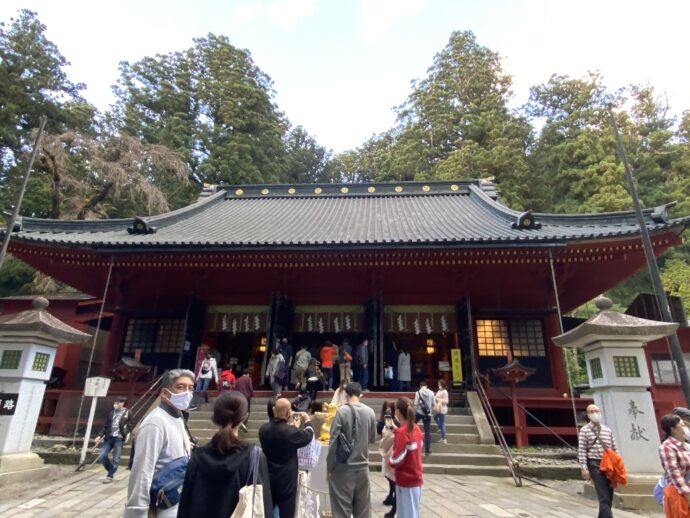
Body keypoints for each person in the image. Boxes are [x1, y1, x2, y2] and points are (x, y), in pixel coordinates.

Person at [177, 391, 273, 518]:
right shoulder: (254, 456)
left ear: (215, 417)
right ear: (245, 417)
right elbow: (263, 504)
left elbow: (185, 505)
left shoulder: (198, 456)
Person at [124, 369, 196, 518]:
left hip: (177, 494)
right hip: (161, 500)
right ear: (164, 393)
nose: (187, 393)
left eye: (191, 388)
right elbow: (142, 470)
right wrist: (137, 511)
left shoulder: (178, 416)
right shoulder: (155, 422)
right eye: (180, 387)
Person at [327, 382, 377, 518]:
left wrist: (329, 467)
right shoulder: (370, 412)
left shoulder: (341, 412)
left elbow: (333, 442)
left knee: (341, 510)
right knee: (363, 512)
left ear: (345, 394)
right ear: (361, 394)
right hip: (363, 467)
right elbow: (373, 439)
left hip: (343, 469)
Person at [259, 398, 315, 518]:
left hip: (268, 476)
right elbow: (308, 436)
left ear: (274, 410)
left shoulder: (263, 430)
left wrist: (292, 428)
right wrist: (307, 421)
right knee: (287, 511)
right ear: (289, 413)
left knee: (267, 509)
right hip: (287, 479)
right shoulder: (290, 432)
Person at [578, 404, 619, 518]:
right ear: (588, 415)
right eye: (591, 411)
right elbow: (582, 450)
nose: (595, 413)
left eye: (596, 411)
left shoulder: (607, 430)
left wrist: (618, 465)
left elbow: (614, 449)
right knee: (603, 496)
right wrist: (584, 468)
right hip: (594, 464)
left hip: (609, 464)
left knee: (609, 495)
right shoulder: (585, 430)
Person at [389, 397, 424, 518]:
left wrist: (390, 461)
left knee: (405, 514)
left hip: (405, 479)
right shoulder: (416, 428)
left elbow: (397, 459)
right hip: (416, 477)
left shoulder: (402, 432)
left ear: (398, 412)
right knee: (412, 513)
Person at [94, 396, 131, 483]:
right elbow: (106, 426)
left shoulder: (128, 413)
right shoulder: (111, 413)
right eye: (115, 402)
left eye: (118, 403)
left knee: (116, 458)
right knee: (102, 455)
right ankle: (111, 469)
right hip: (109, 437)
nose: (116, 404)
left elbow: (130, 425)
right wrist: (99, 435)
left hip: (118, 438)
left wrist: (123, 434)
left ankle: (109, 476)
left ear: (122, 403)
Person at [659, 413, 690, 516]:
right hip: (679, 493)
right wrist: (687, 496)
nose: (685, 428)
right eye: (682, 426)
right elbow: (675, 474)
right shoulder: (667, 447)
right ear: (673, 429)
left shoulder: (685, 446)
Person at [378, 401, 399, 517]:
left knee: (393, 478)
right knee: (389, 476)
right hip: (390, 451)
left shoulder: (397, 422)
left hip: (394, 452)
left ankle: (394, 505)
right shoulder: (391, 421)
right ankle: (391, 496)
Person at [413, 380, 435, 456]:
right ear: (426, 386)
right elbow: (433, 404)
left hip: (419, 413)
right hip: (428, 414)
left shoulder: (418, 393)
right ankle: (427, 451)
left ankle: (409, 442)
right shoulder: (431, 393)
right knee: (427, 432)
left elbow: (415, 403)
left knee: (410, 425)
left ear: (420, 386)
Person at [434, 380, 449, 444]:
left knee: (442, 423)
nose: (438, 385)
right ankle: (440, 428)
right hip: (438, 408)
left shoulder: (444, 391)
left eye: (439, 384)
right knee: (435, 417)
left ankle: (444, 438)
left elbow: (446, 401)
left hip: (442, 409)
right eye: (438, 384)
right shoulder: (439, 391)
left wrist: (438, 399)